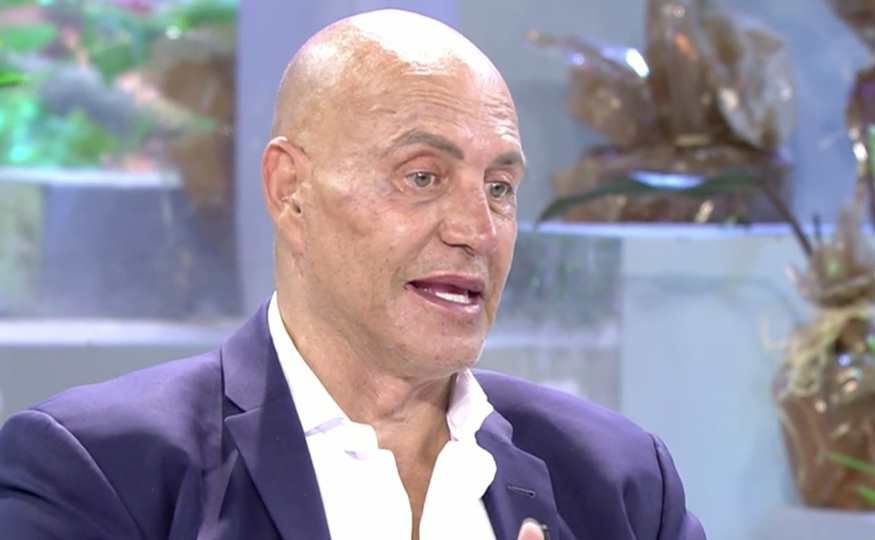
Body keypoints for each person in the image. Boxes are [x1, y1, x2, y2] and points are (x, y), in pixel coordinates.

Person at [0, 9, 705, 540]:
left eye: (499, 188)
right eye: (422, 177)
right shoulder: (99, 471)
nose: (477, 231)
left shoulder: (620, 482)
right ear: (290, 191)